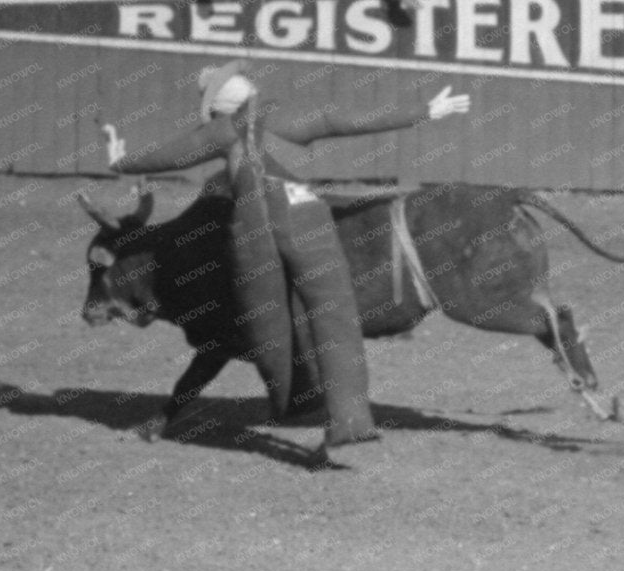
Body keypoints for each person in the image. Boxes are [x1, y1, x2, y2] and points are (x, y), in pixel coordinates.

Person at [105, 62, 473, 454]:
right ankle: (350, 422)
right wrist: (424, 111)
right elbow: (341, 120)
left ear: (220, 107)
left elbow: (168, 157)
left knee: (265, 320)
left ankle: (295, 398)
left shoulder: (225, 130)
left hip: (259, 231)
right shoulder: (281, 118)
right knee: (337, 318)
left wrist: (119, 161)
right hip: (312, 217)